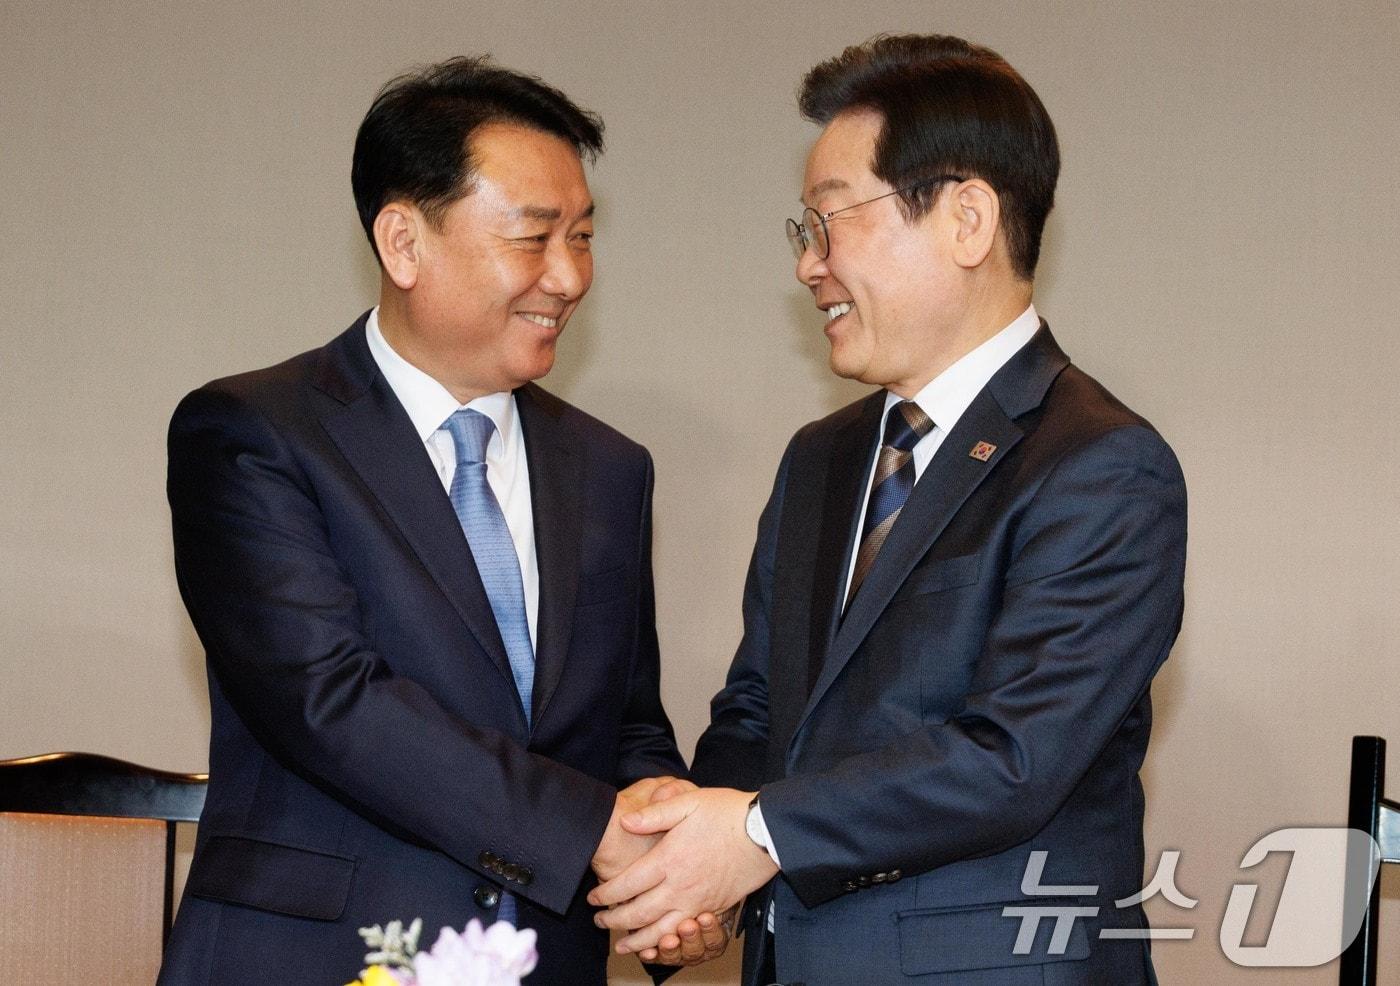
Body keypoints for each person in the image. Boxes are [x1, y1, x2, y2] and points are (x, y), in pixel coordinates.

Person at [592, 34, 1187, 986]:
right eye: (804, 230)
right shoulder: (821, 457)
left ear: (967, 220)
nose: (809, 265)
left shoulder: (1100, 464)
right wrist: (687, 865)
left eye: (832, 221)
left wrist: (751, 833)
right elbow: (759, 708)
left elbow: (1012, 758)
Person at [158, 56, 720, 985]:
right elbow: (328, 701)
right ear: (403, 242)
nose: (569, 276)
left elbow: (621, 729)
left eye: (582, 237)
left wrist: (674, 883)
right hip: (317, 958)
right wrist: (593, 835)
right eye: (534, 238)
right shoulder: (254, 433)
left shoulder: (610, 469)